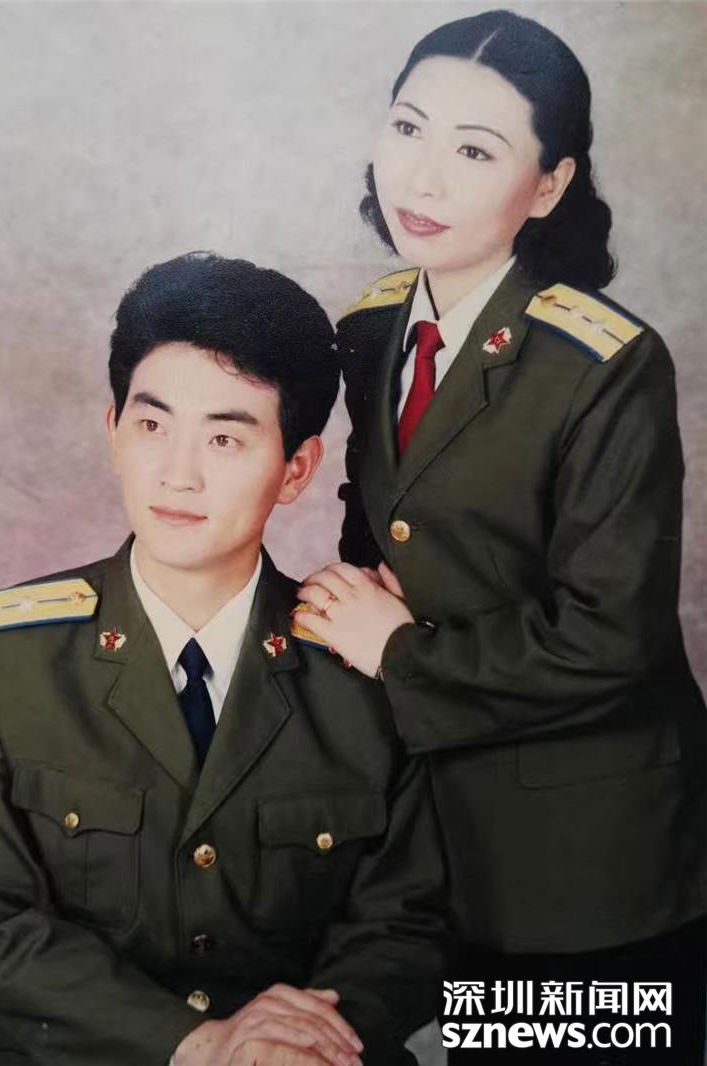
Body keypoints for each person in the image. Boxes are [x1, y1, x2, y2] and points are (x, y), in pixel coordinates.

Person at [294, 11, 706, 1065]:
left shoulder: (604, 363)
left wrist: (397, 650)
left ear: (549, 185)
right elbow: (384, 538)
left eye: (475, 151)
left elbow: (609, 636)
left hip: (589, 861)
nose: (422, 177)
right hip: (434, 841)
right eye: (407, 128)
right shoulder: (373, 326)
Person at [0, 252, 449, 1066]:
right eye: (152, 425)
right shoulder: (1, 661)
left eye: (226, 438)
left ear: (296, 470)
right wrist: (200, 1044)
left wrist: (295, 1046)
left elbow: (407, 924)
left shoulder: (366, 663)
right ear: (113, 433)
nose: (178, 473)